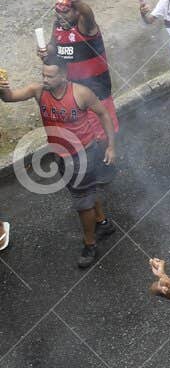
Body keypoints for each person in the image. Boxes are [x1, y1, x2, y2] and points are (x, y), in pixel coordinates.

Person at [1, 57, 117, 268]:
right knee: (87, 193)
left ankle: (90, 244)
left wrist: (110, 146)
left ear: (64, 75)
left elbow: (103, 114)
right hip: (61, 156)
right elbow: (9, 98)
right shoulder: (38, 91)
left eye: (50, 75)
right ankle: (102, 223)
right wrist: (2, 88)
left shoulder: (81, 93)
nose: (45, 79)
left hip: (84, 155)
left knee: (82, 203)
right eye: (43, 74)